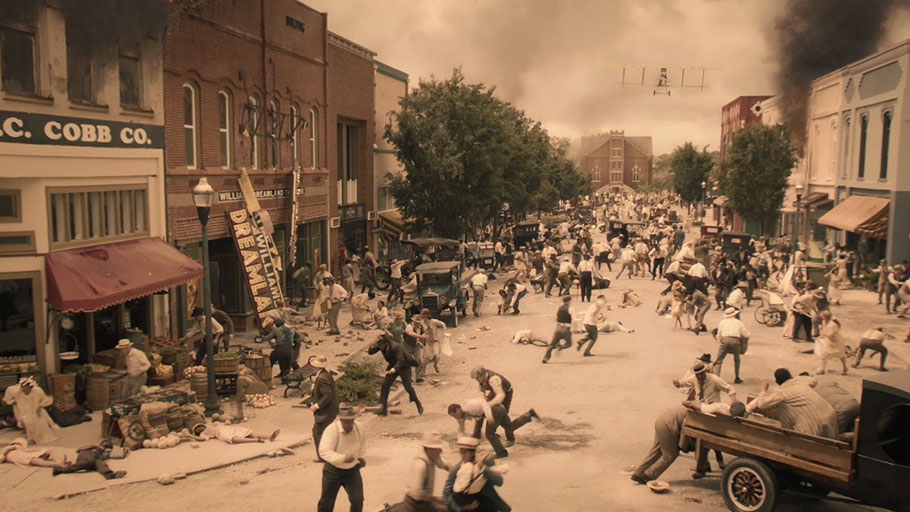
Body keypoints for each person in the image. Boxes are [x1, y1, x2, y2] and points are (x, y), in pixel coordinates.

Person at [746, 368, 838, 438]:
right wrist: (797, 378)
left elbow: (762, 404)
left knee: (806, 445)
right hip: (828, 413)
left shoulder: (781, 392)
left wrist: (763, 389)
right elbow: (814, 380)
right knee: (829, 443)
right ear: (791, 376)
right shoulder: (801, 382)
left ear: (777, 382)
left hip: (811, 421)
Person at [448, 400, 537, 460]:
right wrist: (461, 442)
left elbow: (483, 402)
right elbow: (461, 429)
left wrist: (489, 415)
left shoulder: (469, 407)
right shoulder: (462, 415)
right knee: (509, 427)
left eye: (455, 415)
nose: (456, 418)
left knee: (489, 434)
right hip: (499, 408)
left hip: (494, 411)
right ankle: (528, 415)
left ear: (458, 409)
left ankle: (501, 453)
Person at [442, 437, 511, 512]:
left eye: (465, 453)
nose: (462, 456)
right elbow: (446, 496)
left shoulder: (485, 463)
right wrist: (463, 509)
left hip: (486, 504)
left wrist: (482, 468)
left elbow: (499, 481)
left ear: (472, 452)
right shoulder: (456, 469)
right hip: (465, 506)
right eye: (461, 452)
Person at [318, 407, 366, 512]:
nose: (349, 425)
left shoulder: (359, 428)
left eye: (351, 422)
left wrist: (361, 456)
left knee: (357, 499)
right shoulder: (332, 430)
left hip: (352, 470)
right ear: (340, 420)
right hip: (333, 471)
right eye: (346, 422)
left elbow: (362, 443)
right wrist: (342, 458)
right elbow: (324, 451)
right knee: (326, 503)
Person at [630, 405, 690, 484]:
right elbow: (684, 441)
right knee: (670, 455)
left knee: (656, 450)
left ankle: (638, 472)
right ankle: (648, 476)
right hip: (668, 425)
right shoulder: (702, 415)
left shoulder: (699, 407)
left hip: (662, 421)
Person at [368, 335, 423, 416]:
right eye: (379, 346)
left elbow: (401, 360)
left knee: (408, 387)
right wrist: (373, 343)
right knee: (385, 385)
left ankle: (417, 402)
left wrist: (393, 370)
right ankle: (383, 409)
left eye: (382, 346)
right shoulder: (381, 345)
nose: (381, 348)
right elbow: (370, 352)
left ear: (386, 343)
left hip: (404, 365)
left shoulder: (395, 346)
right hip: (393, 364)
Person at [1, 377, 58, 444]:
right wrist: (12, 401)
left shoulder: (37, 391)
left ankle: (36, 437)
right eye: (23, 389)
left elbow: (44, 399)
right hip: (22, 408)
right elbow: (6, 401)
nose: (25, 390)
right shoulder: (15, 391)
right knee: (26, 420)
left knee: (37, 421)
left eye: (27, 389)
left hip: (35, 408)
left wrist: (39, 407)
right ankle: (30, 436)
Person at [404, 432, 451, 512]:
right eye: (437, 449)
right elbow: (416, 493)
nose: (440, 451)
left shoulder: (433, 457)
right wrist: (437, 499)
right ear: (429, 449)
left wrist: (457, 471)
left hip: (426, 502)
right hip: (415, 505)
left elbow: (444, 464)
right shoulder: (420, 465)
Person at [308, 355, 338, 462]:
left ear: (316, 367)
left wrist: (317, 405)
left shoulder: (321, 378)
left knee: (318, 432)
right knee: (326, 432)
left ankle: (323, 456)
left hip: (326, 411)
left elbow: (327, 395)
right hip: (331, 409)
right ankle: (329, 452)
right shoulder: (326, 374)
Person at [52, 440, 128, 479]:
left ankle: (109, 474)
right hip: (86, 455)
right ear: (101, 444)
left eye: (107, 446)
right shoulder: (91, 448)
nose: (105, 446)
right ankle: (62, 470)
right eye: (105, 444)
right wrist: (92, 446)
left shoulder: (105, 453)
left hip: (94, 461)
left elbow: (119, 456)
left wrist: (125, 452)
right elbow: (78, 450)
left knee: (100, 463)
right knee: (90, 460)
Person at [714, 307, 748, 384]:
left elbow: (719, 334)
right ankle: (737, 377)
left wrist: (719, 340)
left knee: (719, 360)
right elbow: (745, 334)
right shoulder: (738, 322)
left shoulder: (722, 322)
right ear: (735, 315)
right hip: (736, 341)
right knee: (737, 359)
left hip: (725, 340)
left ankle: (717, 377)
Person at [542, 295, 573, 364]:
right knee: (569, 344)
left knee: (552, 345)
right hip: (566, 328)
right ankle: (560, 347)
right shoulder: (570, 309)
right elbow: (574, 319)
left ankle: (545, 358)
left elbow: (556, 318)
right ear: (568, 301)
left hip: (558, 328)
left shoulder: (559, 308)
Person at [815, 310, 847, 375]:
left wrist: (821, 330)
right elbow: (825, 332)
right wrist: (821, 335)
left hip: (836, 341)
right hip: (829, 341)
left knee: (841, 355)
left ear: (825, 317)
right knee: (823, 354)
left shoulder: (833, 325)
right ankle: (822, 369)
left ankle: (845, 368)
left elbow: (830, 335)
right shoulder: (824, 321)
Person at [190, 422, 280, 444]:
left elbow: (225, 423)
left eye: (199, 427)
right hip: (221, 432)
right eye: (197, 430)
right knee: (233, 439)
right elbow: (201, 439)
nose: (199, 429)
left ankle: (269, 436)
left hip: (228, 428)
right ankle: (256, 440)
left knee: (248, 432)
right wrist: (189, 435)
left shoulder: (212, 424)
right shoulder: (204, 433)